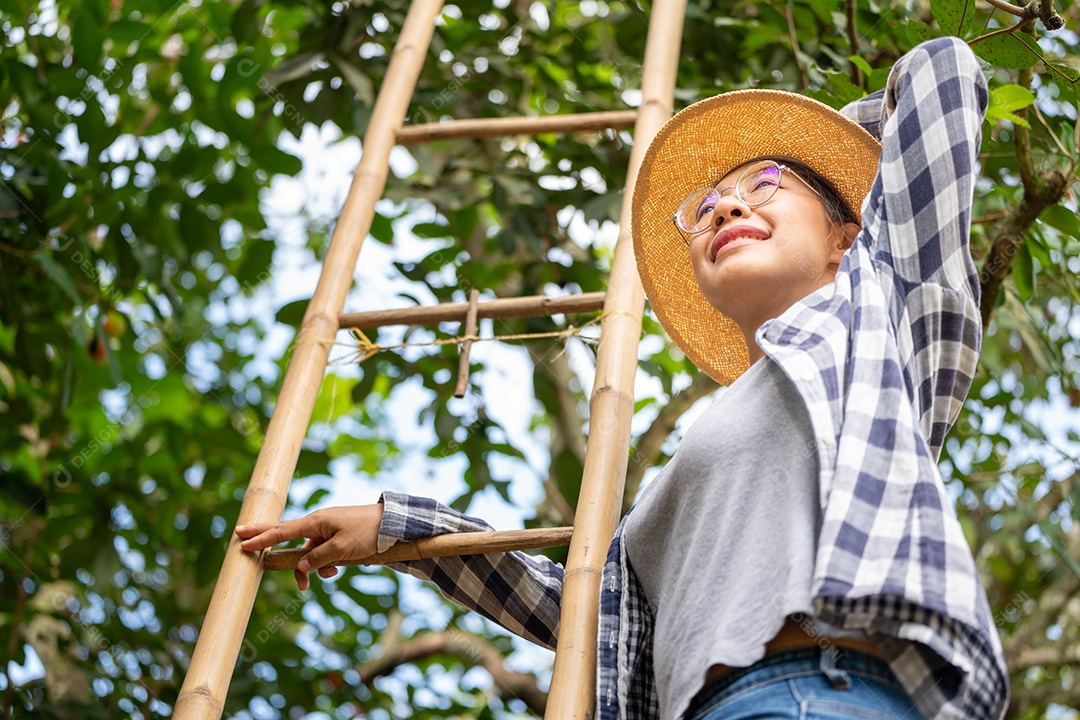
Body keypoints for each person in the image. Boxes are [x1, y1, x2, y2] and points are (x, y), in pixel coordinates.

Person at [236, 37, 1010, 720]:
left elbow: (942, 74)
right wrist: (399, 529)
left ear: (848, 239)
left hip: (824, 688)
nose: (727, 203)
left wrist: (819, 141)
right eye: (707, 205)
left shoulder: (879, 317)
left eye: (765, 184)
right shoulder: (702, 447)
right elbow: (586, 612)